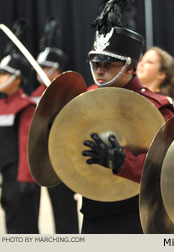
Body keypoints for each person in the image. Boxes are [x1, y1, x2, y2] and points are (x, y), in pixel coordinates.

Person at [81, 0, 174, 234]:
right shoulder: (85, 101)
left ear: (130, 67)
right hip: (93, 209)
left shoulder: (156, 107)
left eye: (108, 64)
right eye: (96, 63)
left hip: (135, 214)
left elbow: (169, 165)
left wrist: (124, 162)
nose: (100, 71)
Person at [31, 18, 79, 234]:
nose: (39, 70)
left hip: (67, 157)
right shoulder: (35, 94)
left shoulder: (69, 92)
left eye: (44, 67)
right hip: (44, 158)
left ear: (55, 68)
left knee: (67, 213)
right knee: (55, 210)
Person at [0, 19, 40, 233]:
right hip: (6, 177)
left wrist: (26, 178)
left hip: (21, 178)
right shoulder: (0, 105)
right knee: (11, 226)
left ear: (18, 78)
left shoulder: (25, 106)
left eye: (4, 73)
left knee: (26, 230)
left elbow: (27, 145)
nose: (0, 78)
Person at [136, 46, 174, 113]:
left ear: (161, 74)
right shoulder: (132, 96)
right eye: (141, 60)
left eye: (149, 62)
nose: (141, 64)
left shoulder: (166, 103)